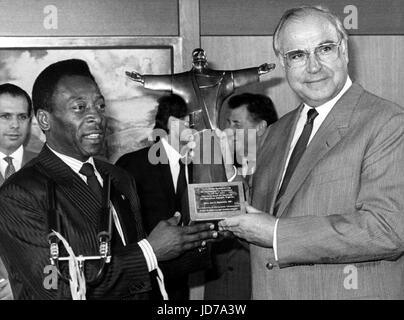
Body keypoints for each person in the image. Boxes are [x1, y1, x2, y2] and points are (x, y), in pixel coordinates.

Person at [219, 6, 404, 299]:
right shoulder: (276, 132)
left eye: (325, 49)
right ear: (283, 62)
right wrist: (224, 170)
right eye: (298, 55)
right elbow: (256, 231)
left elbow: (387, 229)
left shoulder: (388, 123)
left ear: (344, 50)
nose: (314, 66)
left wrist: (277, 233)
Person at [0, 59, 217, 300]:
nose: (96, 117)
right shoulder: (19, 193)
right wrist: (149, 250)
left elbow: (140, 271)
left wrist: (203, 236)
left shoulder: (118, 177)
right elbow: (55, 288)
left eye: (100, 106)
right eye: (80, 107)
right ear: (44, 120)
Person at [116, 93, 212, 300]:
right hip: (142, 285)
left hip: (180, 283)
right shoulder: (132, 165)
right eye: (196, 120)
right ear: (175, 121)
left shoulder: (202, 167)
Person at [204, 93, 278, 299]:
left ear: (261, 128)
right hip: (219, 286)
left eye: (237, 124)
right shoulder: (223, 167)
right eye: (227, 123)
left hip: (257, 284)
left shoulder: (279, 170)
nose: (228, 131)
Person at [126, 48, 275, 132]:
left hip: (212, 126)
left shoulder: (220, 78)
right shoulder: (182, 80)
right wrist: (143, 79)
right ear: (192, 60)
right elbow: (164, 80)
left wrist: (258, 71)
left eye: (200, 56)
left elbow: (236, 76)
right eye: (196, 56)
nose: (199, 59)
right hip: (195, 126)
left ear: (204, 59)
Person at [0, 83, 37, 300]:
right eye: (5, 116)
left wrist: (23, 284)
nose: (15, 125)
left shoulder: (48, 166)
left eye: (22, 117)